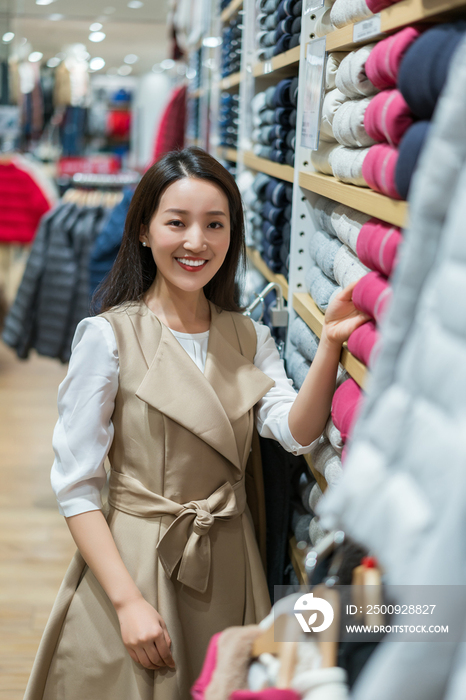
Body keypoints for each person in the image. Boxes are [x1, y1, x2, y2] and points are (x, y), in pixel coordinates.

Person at [24, 147, 368, 700]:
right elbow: (77, 486)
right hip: (139, 558)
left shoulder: (247, 335)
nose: (196, 242)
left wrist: (329, 343)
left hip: (230, 553)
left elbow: (296, 432)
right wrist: (127, 601)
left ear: (233, 235)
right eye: (176, 223)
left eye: (215, 224)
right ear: (142, 230)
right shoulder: (108, 336)